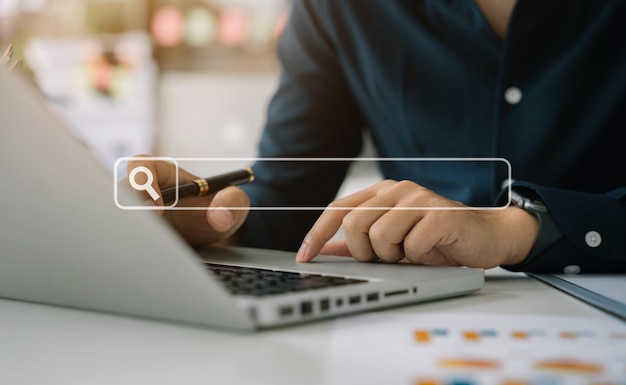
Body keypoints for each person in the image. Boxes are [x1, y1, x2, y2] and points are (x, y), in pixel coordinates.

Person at [129, 0, 626, 273]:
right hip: (421, 314)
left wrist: (517, 229)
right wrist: (220, 218)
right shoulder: (337, 9)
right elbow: (291, 195)